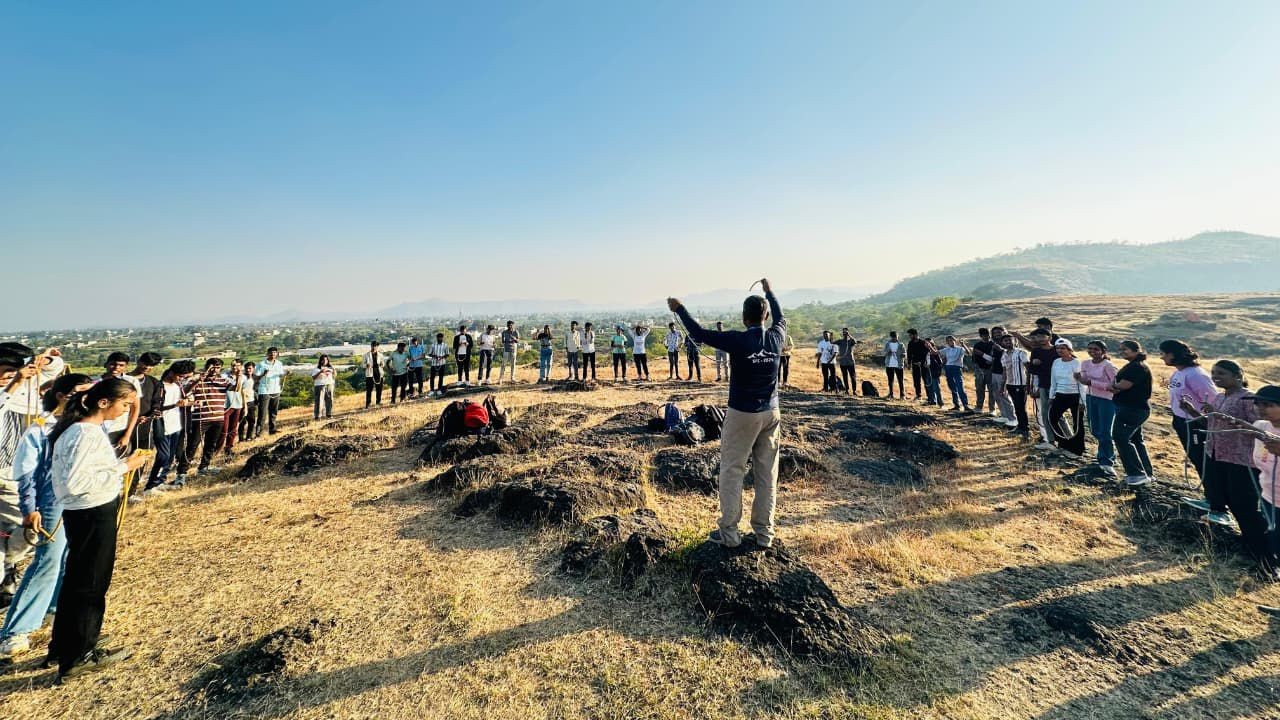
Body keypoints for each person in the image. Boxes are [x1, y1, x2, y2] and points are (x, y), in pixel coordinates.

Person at [668, 278, 785, 548]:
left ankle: (730, 534)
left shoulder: (738, 340)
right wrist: (769, 291)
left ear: (744, 318)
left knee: (732, 470)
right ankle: (764, 535)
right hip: (772, 412)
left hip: (743, 413)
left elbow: (699, 333)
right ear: (765, 315)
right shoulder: (778, 336)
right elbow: (780, 315)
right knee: (767, 474)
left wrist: (680, 308)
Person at [48, 378, 148, 680]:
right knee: (91, 583)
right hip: (91, 511)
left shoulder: (79, 430)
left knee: (79, 578)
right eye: (124, 404)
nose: (125, 411)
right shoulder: (85, 434)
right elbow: (76, 482)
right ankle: (79, 653)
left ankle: (67, 643)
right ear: (103, 402)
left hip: (85, 512)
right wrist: (123, 467)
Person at [0, 373, 94, 660]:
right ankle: (15, 632)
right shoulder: (41, 429)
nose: (88, 398)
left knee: (71, 558)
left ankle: (56, 610)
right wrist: (30, 508)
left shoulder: (87, 427)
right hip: (50, 502)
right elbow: (26, 473)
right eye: (82, 392)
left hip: (81, 500)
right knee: (47, 561)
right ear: (62, 395)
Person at [1182, 361, 1278, 575]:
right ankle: (1253, 549)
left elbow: (1261, 429)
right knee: (1236, 505)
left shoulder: (1248, 398)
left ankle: (1266, 557)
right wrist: (1192, 411)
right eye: (1214, 373)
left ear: (1237, 375)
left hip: (1242, 459)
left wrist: (1228, 419)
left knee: (1246, 507)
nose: (1216, 377)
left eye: (1222, 373)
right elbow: (1214, 426)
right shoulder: (1219, 397)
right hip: (1218, 455)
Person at [1161, 340, 1217, 496]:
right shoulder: (1179, 372)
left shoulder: (1196, 375)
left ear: (1172, 354)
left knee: (1202, 461)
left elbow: (1214, 402)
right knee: (1195, 459)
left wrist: (1196, 415)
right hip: (1181, 420)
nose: (1161, 357)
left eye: (1163, 354)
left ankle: (1216, 501)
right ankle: (1211, 497)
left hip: (1195, 423)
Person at [1107, 341, 1155, 486]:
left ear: (1136, 350)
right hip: (1133, 408)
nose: (1122, 352)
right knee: (1135, 440)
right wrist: (1117, 387)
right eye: (1120, 349)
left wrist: (1113, 386)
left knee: (1120, 437)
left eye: (1125, 349)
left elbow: (1124, 385)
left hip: (1132, 409)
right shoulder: (1135, 365)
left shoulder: (1136, 367)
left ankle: (1136, 474)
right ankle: (1147, 473)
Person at [145, 361, 194, 492]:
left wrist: (187, 403)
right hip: (162, 424)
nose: (181, 379)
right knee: (163, 455)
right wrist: (176, 405)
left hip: (175, 425)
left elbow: (179, 402)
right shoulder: (160, 387)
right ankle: (151, 485)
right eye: (180, 376)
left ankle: (160, 481)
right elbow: (157, 408)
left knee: (170, 456)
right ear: (172, 372)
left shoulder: (177, 386)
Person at [179, 359, 230, 477]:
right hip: (200, 418)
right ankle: (181, 472)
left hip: (218, 418)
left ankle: (204, 467)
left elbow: (236, 389)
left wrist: (238, 376)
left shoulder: (223, 381)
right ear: (206, 367)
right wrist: (196, 381)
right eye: (211, 367)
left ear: (220, 369)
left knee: (211, 444)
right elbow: (185, 392)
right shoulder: (198, 381)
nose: (214, 370)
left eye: (217, 367)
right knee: (192, 445)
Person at [1246, 386, 1280, 559]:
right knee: (1273, 537)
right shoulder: (1260, 426)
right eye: (1257, 404)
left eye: (1267, 404)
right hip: (1268, 495)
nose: (1260, 409)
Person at [1076, 341, 1118, 475]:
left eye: (1096, 349)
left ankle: (1106, 460)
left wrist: (1090, 382)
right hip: (1091, 397)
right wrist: (1079, 378)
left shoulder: (1108, 366)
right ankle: (1108, 454)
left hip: (1106, 399)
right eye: (1090, 349)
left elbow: (1114, 386)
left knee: (1105, 430)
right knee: (1094, 429)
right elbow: (1084, 380)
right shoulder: (1085, 363)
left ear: (1103, 351)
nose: (1092, 351)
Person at [1014, 329, 1059, 451]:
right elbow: (1032, 370)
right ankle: (1051, 441)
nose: (1039, 339)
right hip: (1044, 385)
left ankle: (1066, 439)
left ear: (1049, 337)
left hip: (1059, 386)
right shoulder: (1036, 351)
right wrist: (1034, 363)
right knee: (1045, 413)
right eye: (1037, 337)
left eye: (1042, 336)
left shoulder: (1058, 350)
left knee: (1058, 414)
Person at [1047, 339, 1085, 458]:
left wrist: (1082, 401)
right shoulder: (1056, 362)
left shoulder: (1077, 363)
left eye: (1063, 348)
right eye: (1058, 348)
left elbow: (1081, 383)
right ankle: (1064, 444)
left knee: (1077, 423)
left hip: (1074, 395)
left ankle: (1078, 449)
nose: (1060, 351)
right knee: (1052, 418)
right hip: (1060, 394)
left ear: (1069, 349)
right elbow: (1053, 380)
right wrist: (1051, 396)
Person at [99, 352, 141, 456]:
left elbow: (135, 409)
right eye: (113, 364)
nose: (116, 368)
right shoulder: (96, 382)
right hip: (99, 429)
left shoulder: (131, 382)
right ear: (106, 364)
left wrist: (127, 435)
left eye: (121, 365)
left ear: (126, 367)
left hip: (119, 429)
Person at [126, 353, 164, 453]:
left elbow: (156, 401)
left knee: (142, 457)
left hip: (144, 426)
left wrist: (154, 412)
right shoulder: (123, 380)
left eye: (151, 365)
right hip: (124, 425)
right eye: (145, 363)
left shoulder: (154, 382)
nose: (147, 367)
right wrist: (132, 418)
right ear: (138, 361)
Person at [999, 334, 1030, 438]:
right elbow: (1004, 372)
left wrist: (1028, 384)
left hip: (1020, 384)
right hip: (1010, 384)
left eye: (1009, 340)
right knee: (1017, 407)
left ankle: (1025, 429)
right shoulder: (1004, 355)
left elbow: (1028, 369)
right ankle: (1020, 427)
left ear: (1015, 341)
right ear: (1002, 343)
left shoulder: (1021, 353)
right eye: (1005, 341)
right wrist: (1002, 386)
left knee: (1021, 407)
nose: (1008, 342)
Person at [984, 327, 1015, 424]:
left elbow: (1012, 354)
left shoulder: (1008, 341)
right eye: (994, 332)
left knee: (1004, 395)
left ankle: (1012, 418)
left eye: (999, 332)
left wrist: (1000, 349)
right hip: (995, 371)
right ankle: (1004, 415)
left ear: (1004, 332)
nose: (996, 334)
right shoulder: (994, 344)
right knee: (997, 395)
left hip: (1004, 373)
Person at [254, 347, 285, 437]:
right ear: (267, 353)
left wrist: (286, 374)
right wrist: (264, 374)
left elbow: (280, 375)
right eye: (271, 353)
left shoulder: (279, 363)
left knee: (273, 411)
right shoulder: (262, 364)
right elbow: (256, 378)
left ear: (277, 354)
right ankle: (259, 433)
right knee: (262, 413)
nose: (273, 354)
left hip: (276, 390)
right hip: (264, 390)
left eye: (275, 353)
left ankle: (272, 429)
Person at [221, 360, 247, 455]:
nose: (235, 367)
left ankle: (228, 448)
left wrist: (245, 406)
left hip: (237, 404)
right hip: (226, 405)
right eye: (233, 365)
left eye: (237, 365)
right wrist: (237, 379)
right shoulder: (224, 376)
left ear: (241, 366)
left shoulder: (244, 377)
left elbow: (242, 391)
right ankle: (218, 448)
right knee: (224, 429)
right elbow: (233, 387)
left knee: (233, 428)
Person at [940, 336, 970, 411]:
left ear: (955, 340)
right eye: (948, 341)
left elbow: (968, 353)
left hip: (957, 368)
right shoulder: (946, 349)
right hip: (948, 368)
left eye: (952, 340)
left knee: (960, 387)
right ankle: (956, 405)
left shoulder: (960, 349)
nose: (951, 342)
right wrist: (929, 346)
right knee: (952, 387)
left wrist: (963, 344)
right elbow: (935, 352)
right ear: (947, 342)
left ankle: (965, 405)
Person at [971, 329, 996, 414]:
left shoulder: (993, 345)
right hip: (979, 370)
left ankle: (992, 409)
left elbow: (995, 359)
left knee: (992, 390)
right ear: (980, 336)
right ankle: (979, 407)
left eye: (987, 335)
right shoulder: (977, 345)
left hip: (991, 370)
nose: (986, 337)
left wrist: (985, 357)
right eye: (983, 335)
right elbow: (974, 359)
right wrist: (977, 369)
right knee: (979, 389)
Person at [906, 329, 929, 401]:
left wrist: (922, 362)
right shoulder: (910, 343)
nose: (909, 336)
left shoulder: (923, 342)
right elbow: (909, 354)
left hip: (923, 364)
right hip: (914, 363)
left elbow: (927, 353)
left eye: (910, 335)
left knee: (926, 380)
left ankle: (929, 396)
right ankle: (918, 395)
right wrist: (909, 363)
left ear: (915, 334)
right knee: (916, 380)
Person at [835, 328, 858, 396]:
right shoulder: (840, 341)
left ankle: (854, 391)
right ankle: (847, 390)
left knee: (853, 377)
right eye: (844, 333)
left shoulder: (850, 341)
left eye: (846, 333)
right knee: (845, 377)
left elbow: (855, 341)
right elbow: (832, 342)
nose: (845, 334)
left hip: (850, 362)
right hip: (843, 362)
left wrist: (849, 335)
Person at [238, 361, 257, 443]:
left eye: (250, 368)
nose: (248, 370)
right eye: (247, 368)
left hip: (252, 401)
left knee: (252, 420)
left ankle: (249, 437)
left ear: (253, 369)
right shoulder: (242, 378)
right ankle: (241, 438)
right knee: (242, 421)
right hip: (242, 402)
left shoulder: (255, 377)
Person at [362, 341, 385, 407]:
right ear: (371, 346)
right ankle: (368, 403)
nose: (373, 347)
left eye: (375, 346)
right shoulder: (366, 355)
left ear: (377, 347)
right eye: (372, 346)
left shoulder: (380, 355)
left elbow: (383, 363)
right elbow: (362, 364)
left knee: (379, 389)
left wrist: (382, 364)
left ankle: (378, 402)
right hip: (370, 373)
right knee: (369, 389)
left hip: (378, 373)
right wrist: (366, 365)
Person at [884, 332, 905, 399]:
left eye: (896, 336)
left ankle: (902, 395)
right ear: (891, 337)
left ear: (897, 336)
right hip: (889, 364)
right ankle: (891, 394)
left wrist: (903, 355)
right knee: (890, 380)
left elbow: (905, 352)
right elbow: (884, 353)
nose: (895, 338)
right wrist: (888, 352)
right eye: (893, 337)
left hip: (899, 365)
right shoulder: (888, 344)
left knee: (900, 380)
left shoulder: (901, 344)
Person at [924, 339, 945, 407]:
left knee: (936, 388)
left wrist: (937, 370)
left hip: (934, 372)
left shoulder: (935, 352)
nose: (926, 344)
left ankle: (940, 402)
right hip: (928, 371)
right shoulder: (926, 352)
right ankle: (933, 401)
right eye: (926, 343)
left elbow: (940, 362)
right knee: (930, 387)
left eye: (928, 343)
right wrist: (925, 365)